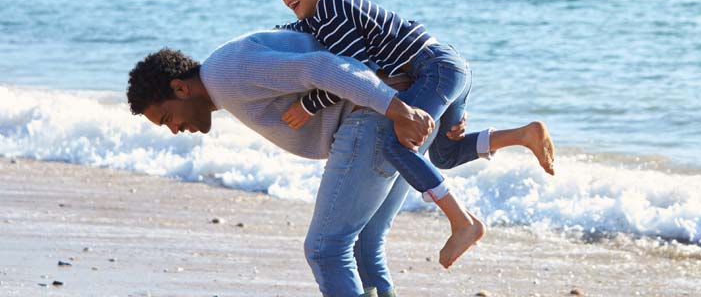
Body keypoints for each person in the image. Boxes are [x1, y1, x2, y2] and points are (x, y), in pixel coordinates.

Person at [271, 0, 555, 267]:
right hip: (449, 65)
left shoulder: (329, 8)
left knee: (398, 144)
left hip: (432, 69)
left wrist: (310, 104)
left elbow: (355, 71)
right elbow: (294, 33)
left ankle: (463, 222)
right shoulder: (325, 14)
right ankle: (523, 135)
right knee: (445, 154)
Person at [127, 30, 463, 296]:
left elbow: (320, 67)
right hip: (394, 111)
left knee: (325, 249)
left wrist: (399, 111)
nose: (174, 130)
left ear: (180, 88)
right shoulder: (225, 74)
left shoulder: (225, 74)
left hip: (381, 116)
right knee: (364, 242)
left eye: (168, 117)